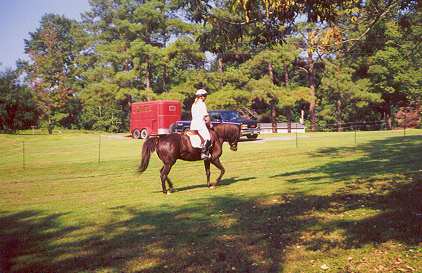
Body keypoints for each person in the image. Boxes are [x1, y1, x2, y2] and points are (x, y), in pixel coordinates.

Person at [190, 89, 211, 159]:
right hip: (200, 124)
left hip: (193, 125)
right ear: (201, 96)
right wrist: (210, 124)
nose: (205, 97)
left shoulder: (194, 104)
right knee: (208, 138)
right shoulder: (202, 104)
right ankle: (203, 153)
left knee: (196, 138)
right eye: (205, 96)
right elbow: (206, 117)